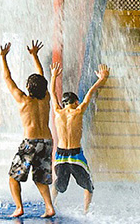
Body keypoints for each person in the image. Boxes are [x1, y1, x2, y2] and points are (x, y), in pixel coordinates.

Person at [0, 40, 55, 218]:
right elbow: (41, 76)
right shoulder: (46, 98)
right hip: (47, 141)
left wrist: (3, 58)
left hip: (30, 142)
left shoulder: (24, 100)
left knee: (13, 176)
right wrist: (34, 56)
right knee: (40, 177)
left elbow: (8, 79)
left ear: (28, 87)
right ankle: (49, 207)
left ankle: (18, 207)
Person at [49, 62, 110, 214]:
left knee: (59, 185)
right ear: (75, 102)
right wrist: (101, 79)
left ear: (64, 104)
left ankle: (50, 205)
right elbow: (90, 93)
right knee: (89, 185)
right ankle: (85, 211)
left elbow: (52, 93)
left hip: (60, 155)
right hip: (76, 155)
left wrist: (53, 77)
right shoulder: (78, 111)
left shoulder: (57, 111)